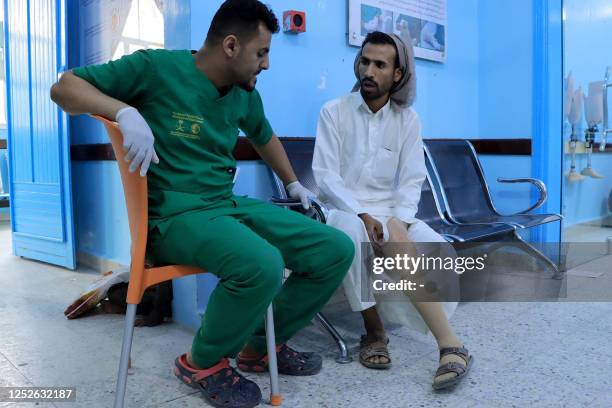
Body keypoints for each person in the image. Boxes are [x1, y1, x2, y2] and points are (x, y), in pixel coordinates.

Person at [50, 1, 354, 407]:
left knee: (334, 249)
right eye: (260, 53)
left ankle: (260, 347)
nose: (265, 65)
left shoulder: (244, 94)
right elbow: (64, 88)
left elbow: (264, 137)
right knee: (260, 264)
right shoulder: (156, 69)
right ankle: (199, 362)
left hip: (223, 205)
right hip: (173, 217)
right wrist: (123, 112)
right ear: (231, 45)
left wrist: (294, 184)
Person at [312, 31, 472, 390]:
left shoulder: (407, 120)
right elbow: (325, 177)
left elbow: (412, 180)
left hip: (390, 210)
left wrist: (398, 221)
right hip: (342, 210)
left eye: (379, 64)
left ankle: (451, 345)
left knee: (434, 248)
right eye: (364, 61)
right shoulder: (333, 112)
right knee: (353, 236)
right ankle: (374, 330)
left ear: (397, 75)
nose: (368, 70)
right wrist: (362, 215)